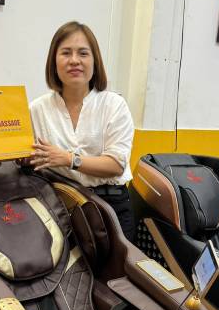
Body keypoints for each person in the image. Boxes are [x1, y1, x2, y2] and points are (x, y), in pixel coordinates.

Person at [27, 21, 137, 240]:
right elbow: (26, 160)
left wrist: (68, 159)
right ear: (53, 61)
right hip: (58, 208)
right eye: (66, 53)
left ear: (95, 61)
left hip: (111, 207)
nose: (74, 60)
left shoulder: (113, 105)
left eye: (83, 53)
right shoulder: (37, 109)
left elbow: (116, 165)